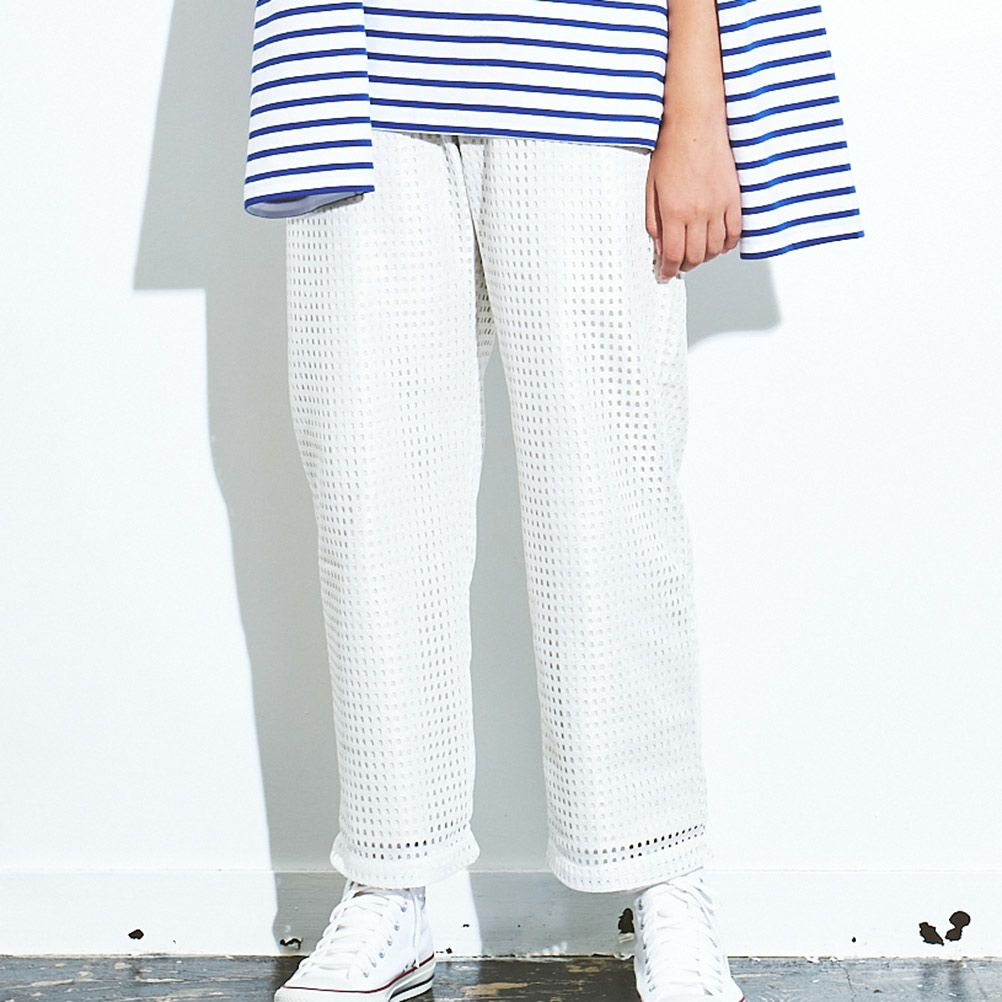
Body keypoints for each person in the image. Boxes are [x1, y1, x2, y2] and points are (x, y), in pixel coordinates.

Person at [242, 1, 862, 1000]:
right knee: (371, 499)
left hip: (590, 68)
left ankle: (664, 879)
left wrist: (697, 107)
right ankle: (391, 883)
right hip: (362, 72)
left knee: (612, 505)